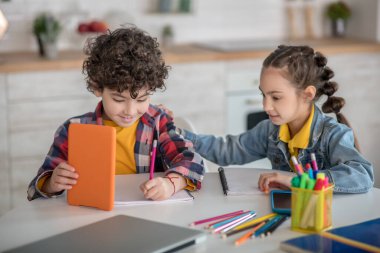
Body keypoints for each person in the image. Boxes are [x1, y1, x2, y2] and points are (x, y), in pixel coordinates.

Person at [27, 26, 205, 202]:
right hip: (91, 216)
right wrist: (51, 183)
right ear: (97, 87)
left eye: (142, 99)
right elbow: (35, 188)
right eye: (119, 100)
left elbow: (193, 162)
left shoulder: (158, 122)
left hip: (148, 213)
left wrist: (170, 184)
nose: (130, 111)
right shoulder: (73, 130)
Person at [172, 45, 374, 194]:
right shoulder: (270, 131)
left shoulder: (332, 134)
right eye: (263, 95)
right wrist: (178, 133)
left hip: (325, 221)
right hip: (286, 217)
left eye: (276, 97)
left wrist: (297, 180)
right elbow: (227, 150)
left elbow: (362, 175)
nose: (266, 106)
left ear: (307, 94)